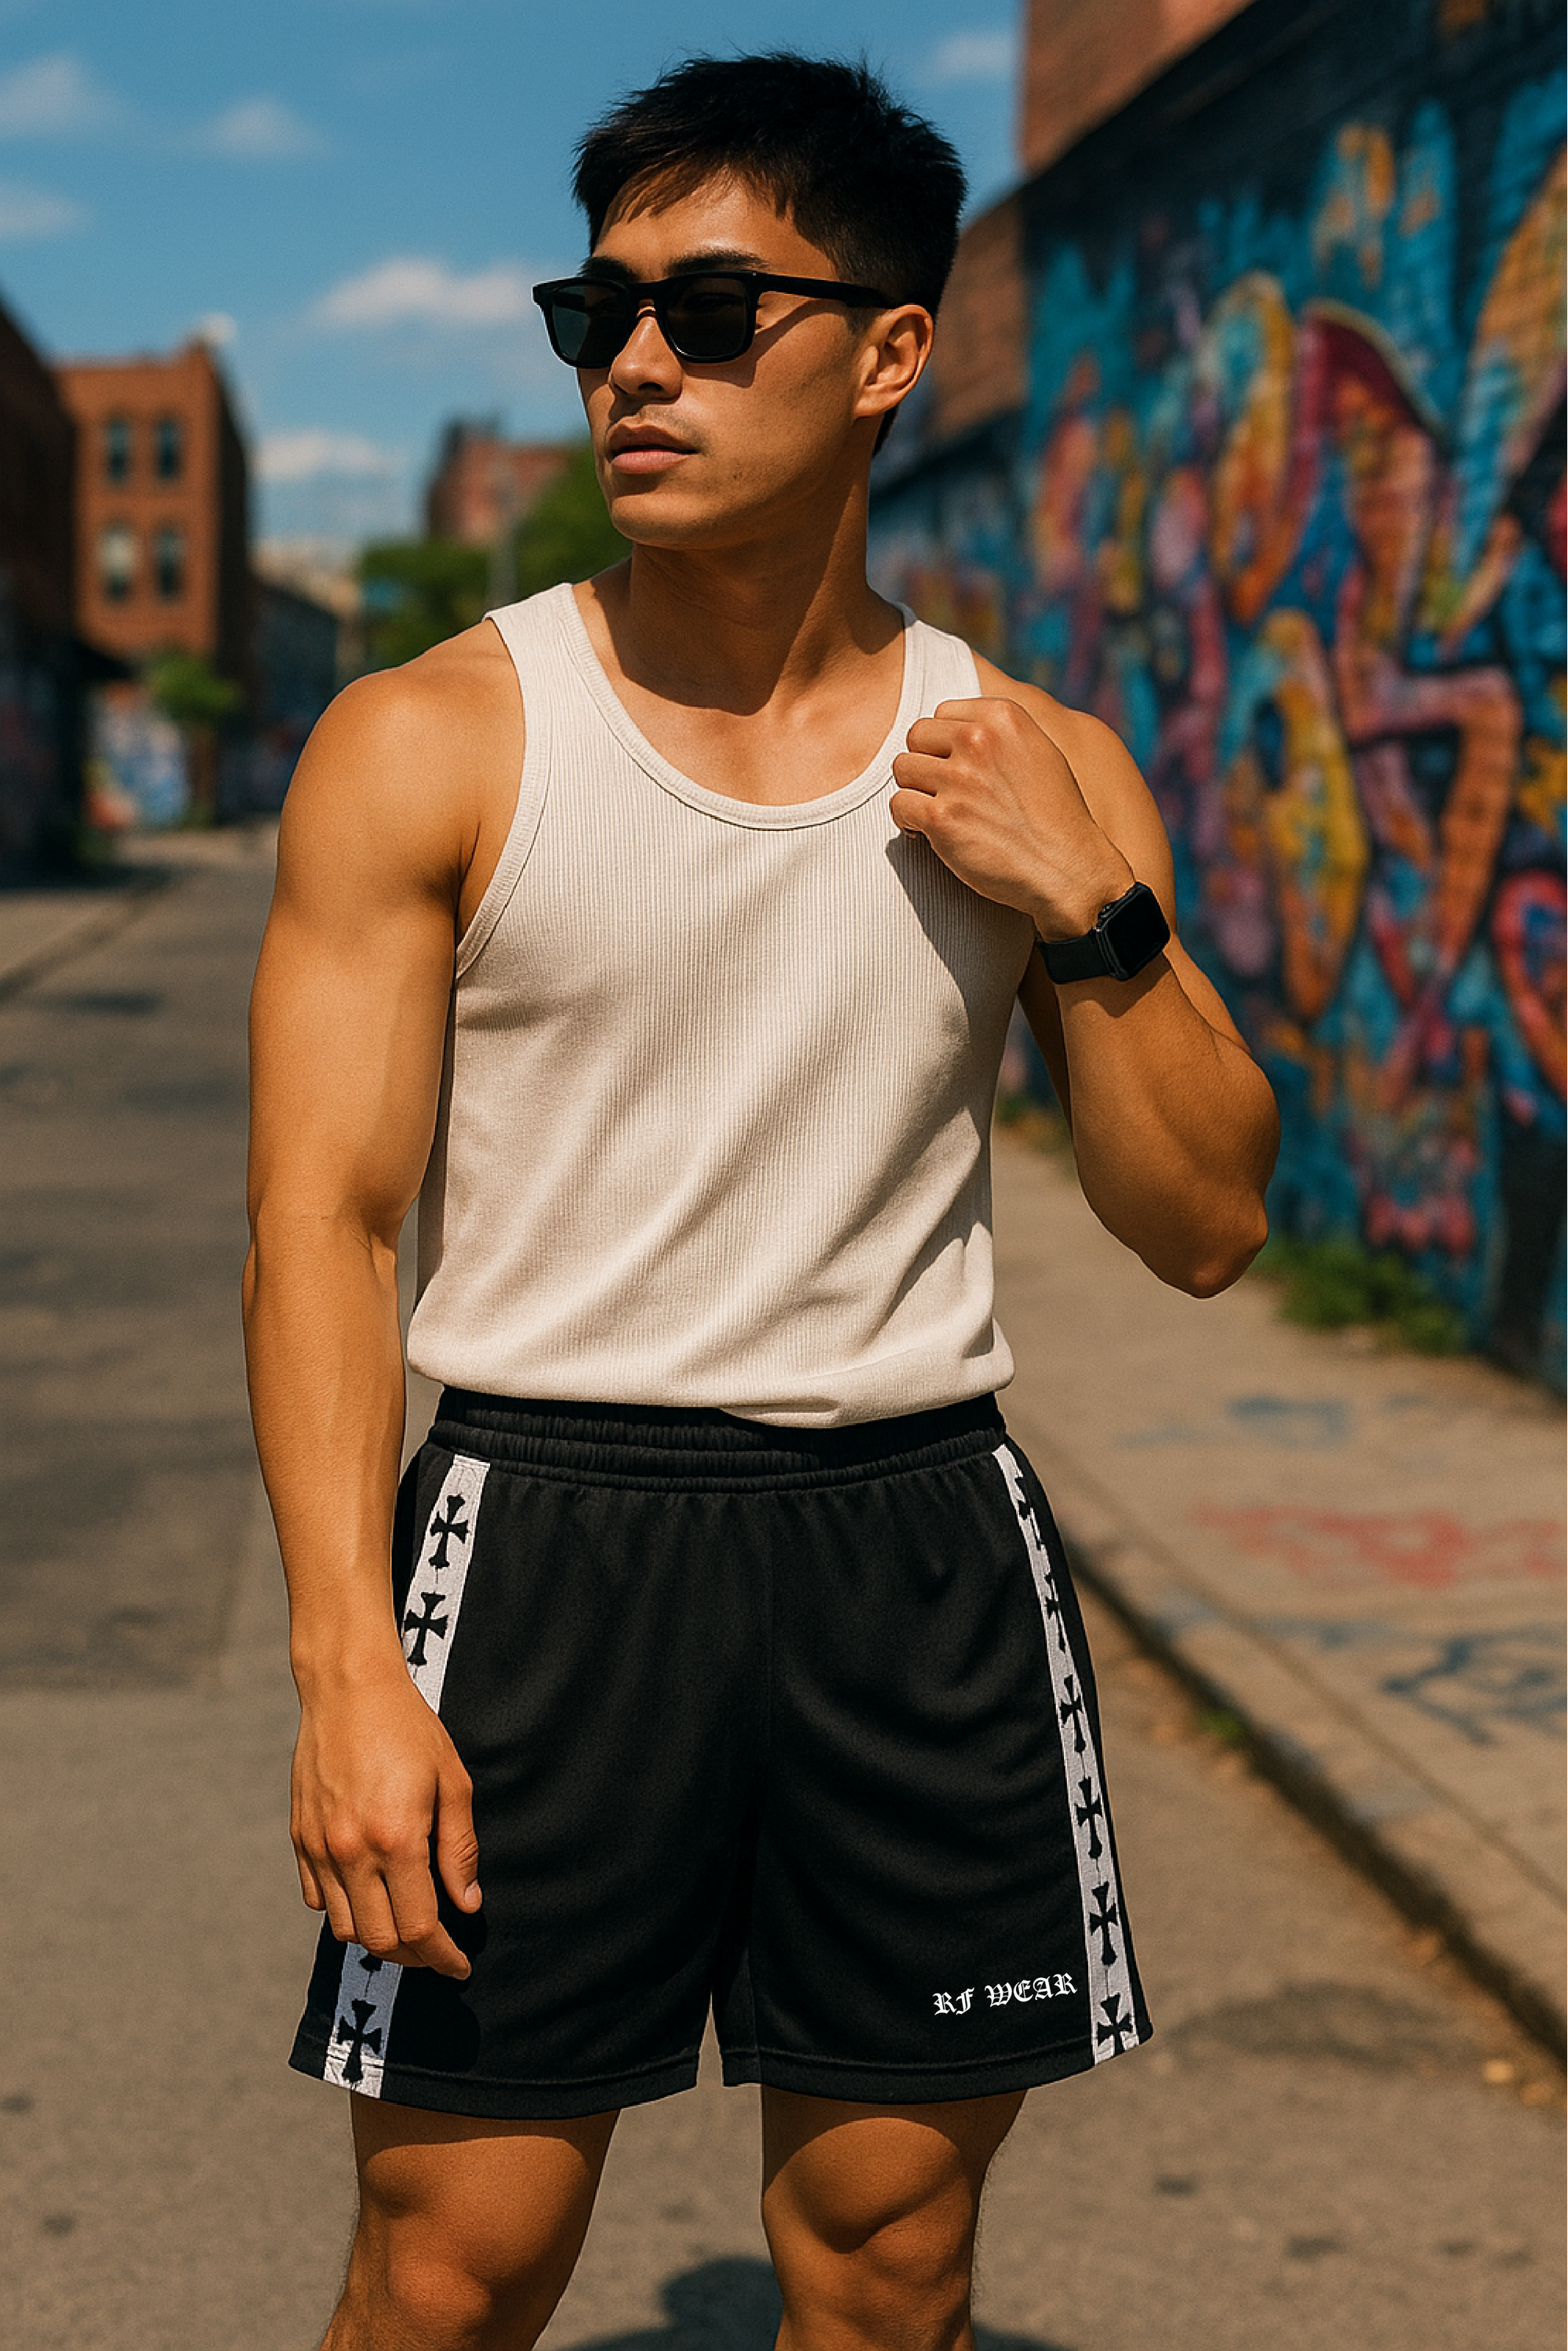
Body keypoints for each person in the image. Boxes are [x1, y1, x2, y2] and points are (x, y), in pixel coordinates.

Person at [244, 53, 1279, 2351]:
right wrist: (345, 1663)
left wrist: (1091, 910)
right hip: (547, 1542)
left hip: (913, 1550)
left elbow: (1206, 1221)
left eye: (710, 311)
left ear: (892, 349)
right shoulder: (432, 737)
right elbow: (323, 1222)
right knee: (452, 2270)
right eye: (594, 311)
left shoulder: (1036, 764)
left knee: (892, 2270)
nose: (634, 362)